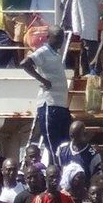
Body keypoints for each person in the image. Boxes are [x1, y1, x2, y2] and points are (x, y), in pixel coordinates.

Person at [22, 27, 72, 163]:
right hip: (49, 104)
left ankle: (61, 168)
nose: (60, 41)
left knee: (64, 143)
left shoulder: (56, 54)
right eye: (57, 37)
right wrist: (43, 80)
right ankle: (55, 170)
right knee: (53, 145)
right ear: (48, 37)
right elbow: (25, 63)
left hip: (60, 105)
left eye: (61, 38)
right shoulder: (43, 51)